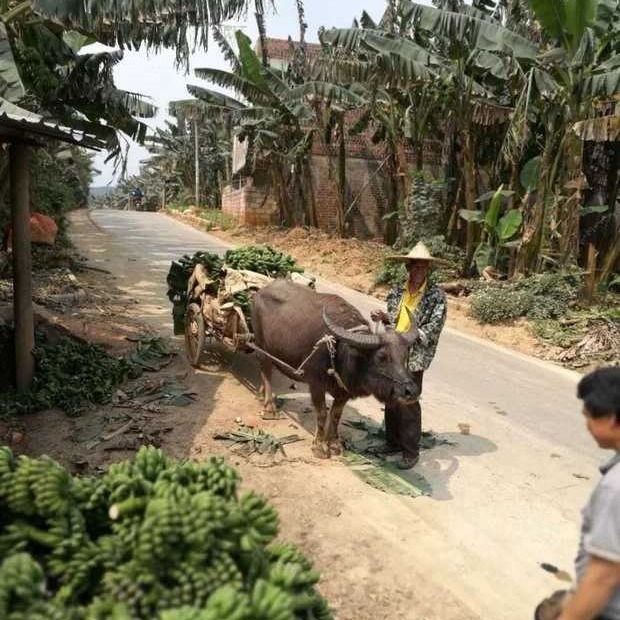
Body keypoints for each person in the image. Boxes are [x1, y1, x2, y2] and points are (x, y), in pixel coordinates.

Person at [537, 367, 620, 620]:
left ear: (613, 420)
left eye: (589, 416)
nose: (586, 425)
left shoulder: (615, 488)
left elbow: (603, 577)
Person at [370, 241, 447, 469]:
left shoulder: (436, 296)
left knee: (409, 400)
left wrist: (411, 335)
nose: (418, 271)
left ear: (428, 271)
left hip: (414, 354)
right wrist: (382, 317)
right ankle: (392, 441)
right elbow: (393, 320)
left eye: (423, 268)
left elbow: (435, 325)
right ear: (408, 268)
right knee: (391, 396)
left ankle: (411, 451)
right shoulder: (397, 291)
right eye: (415, 267)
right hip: (394, 353)